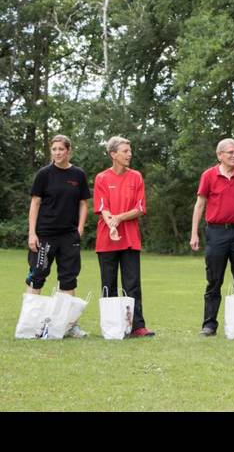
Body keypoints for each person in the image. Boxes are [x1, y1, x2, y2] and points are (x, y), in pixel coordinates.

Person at [190, 138, 234, 337]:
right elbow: (200, 205)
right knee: (214, 280)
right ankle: (209, 325)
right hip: (215, 232)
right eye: (230, 152)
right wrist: (194, 233)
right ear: (220, 155)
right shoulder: (208, 176)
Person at [25, 135, 91, 338]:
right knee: (37, 276)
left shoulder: (78, 175)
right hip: (44, 235)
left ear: (68, 151)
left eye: (61, 149)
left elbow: (83, 204)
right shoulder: (44, 174)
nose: (57, 153)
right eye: (53, 149)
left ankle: (68, 326)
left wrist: (79, 229)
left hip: (68, 236)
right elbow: (35, 203)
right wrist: (32, 233)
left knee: (69, 279)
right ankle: (30, 325)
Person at [93, 136, 155, 337]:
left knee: (132, 284)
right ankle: (112, 327)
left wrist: (118, 219)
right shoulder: (102, 178)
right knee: (108, 284)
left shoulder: (136, 176)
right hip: (106, 240)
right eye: (125, 151)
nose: (129, 154)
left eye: (130, 151)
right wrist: (112, 223)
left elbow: (140, 208)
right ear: (113, 154)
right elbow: (103, 208)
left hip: (130, 239)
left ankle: (137, 326)